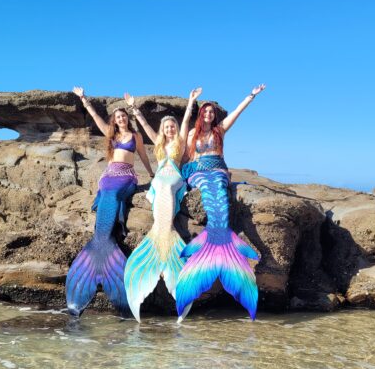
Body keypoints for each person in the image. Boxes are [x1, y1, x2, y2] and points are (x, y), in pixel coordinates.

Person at [175, 85, 266, 320]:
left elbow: (237, 112)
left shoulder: (219, 131)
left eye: (211, 113)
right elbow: (184, 137)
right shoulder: (193, 135)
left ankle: (219, 243)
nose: (208, 115)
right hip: (198, 172)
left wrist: (251, 96)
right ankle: (214, 248)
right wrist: (190, 101)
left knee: (220, 197)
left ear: (214, 116)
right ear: (200, 114)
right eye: (204, 112)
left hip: (218, 171)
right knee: (207, 191)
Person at [65, 87, 154, 317]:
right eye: (117, 117)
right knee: (104, 192)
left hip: (127, 176)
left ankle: (105, 244)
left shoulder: (135, 137)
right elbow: (95, 118)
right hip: (109, 175)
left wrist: (152, 174)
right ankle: (99, 246)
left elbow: (143, 156)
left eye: (123, 116)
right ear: (114, 121)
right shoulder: (111, 135)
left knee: (114, 195)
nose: (121, 119)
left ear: (127, 118)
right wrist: (84, 99)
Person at [122, 88, 201, 322]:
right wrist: (134, 108)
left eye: (172, 127)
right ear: (163, 130)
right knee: (158, 187)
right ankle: (159, 237)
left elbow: (186, 121)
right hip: (159, 177)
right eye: (166, 127)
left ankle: (166, 235)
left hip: (174, 177)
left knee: (166, 187)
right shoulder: (157, 142)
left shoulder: (179, 140)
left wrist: (191, 102)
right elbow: (145, 126)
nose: (170, 129)